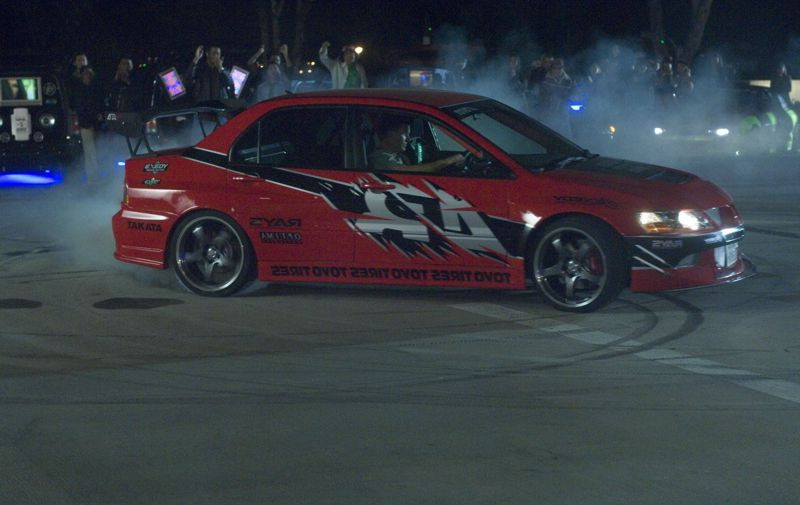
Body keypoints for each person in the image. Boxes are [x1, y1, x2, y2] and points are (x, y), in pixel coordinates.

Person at [369, 116, 464, 173]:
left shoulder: (402, 157)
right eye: (405, 134)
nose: (408, 139)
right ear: (390, 134)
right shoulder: (379, 157)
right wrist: (447, 161)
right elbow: (406, 172)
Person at [71, 66, 103, 183]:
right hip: (86, 123)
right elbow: (80, 108)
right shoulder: (78, 90)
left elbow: (99, 104)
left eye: (89, 73)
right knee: (89, 151)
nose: (87, 76)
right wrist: (94, 116)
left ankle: (97, 174)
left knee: (96, 150)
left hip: (95, 124)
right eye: (85, 74)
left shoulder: (95, 88)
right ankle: (93, 177)